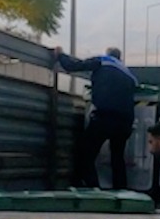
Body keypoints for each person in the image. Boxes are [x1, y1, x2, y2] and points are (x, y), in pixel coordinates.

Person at [55, 46, 139, 190]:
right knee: (117, 157)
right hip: (126, 121)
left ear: (108, 55)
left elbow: (74, 66)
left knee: (86, 152)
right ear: (120, 58)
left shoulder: (102, 61)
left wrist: (61, 55)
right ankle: (121, 190)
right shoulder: (129, 74)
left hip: (105, 116)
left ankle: (91, 187)